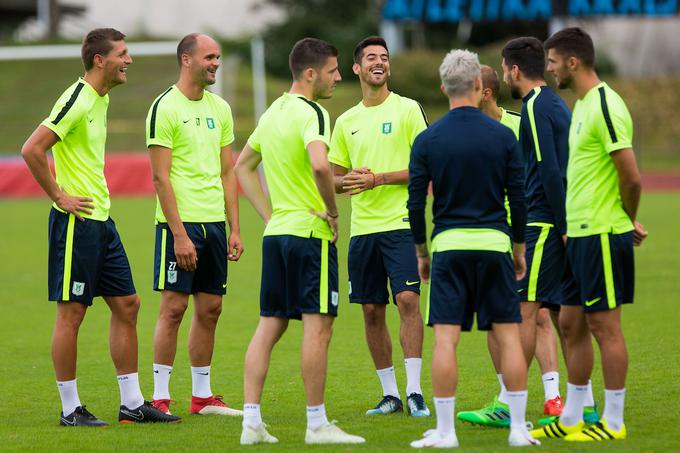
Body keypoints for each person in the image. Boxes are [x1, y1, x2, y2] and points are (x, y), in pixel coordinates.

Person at [21, 28, 180, 426]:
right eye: (122, 54)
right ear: (99, 60)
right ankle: (70, 409)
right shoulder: (76, 98)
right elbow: (32, 148)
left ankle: (131, 404)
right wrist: (59, 196)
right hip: (77, 223)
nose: (129, 61)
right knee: (72, 314)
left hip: (102, 222)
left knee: (128, 305)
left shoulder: (100, 98)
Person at [234, 37, 365, 445]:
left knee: (269, 325)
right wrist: (333, 210)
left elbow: (242, 167)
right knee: (318, 327)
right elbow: (321, 165)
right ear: (311, 74)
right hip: (310, 235)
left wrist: (270, 216)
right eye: (333, 71)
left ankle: (250, 423)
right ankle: (316, 424)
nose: (339, 77)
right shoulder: (315, 112)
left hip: (277, 236)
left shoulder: (273, 111)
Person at [407, 49, 537, 448]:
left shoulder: (428, 139)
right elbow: (518, 196)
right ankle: (517, 428)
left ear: (443, 87)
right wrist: (518, 248)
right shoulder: (503, 135)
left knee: (446, 339)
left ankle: (445, 432)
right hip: (495, 244)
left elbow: (415, 202)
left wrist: (422, 252)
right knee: (509, 337)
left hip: (449, 246)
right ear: (480, 86)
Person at [532, 26, 647, 442]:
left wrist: (624, 217)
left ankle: (613, 423)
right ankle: (572, 418)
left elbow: (630, 177)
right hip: (577, 237)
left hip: (602, 234)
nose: (549, 70)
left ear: (572, 62)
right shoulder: (579, 106)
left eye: (552, 62)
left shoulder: (605, 105)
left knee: (605, 327)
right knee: (571, 325)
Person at [459, 61, 569, 427]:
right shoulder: (464, 133)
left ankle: (552, 397)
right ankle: (507, 400)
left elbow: (546, 173)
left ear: (484, 92)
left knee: (538, 312)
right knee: (498, 320)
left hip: (527, 233)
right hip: (488, 235)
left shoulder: (521, 123)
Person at [328, 36, 430, 417]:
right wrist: (349, 179)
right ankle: (390, 394)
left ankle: (416, 391)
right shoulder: (346, 121)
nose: (379, 62)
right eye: (371, 57)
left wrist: (380, 178)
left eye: (384, 58)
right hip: (363, 231)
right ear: (357, 68)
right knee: (371, 310)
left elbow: (425, 167)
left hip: (401, 223)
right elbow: (334, 181)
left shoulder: (408, 109)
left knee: (407, 301)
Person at [146, 33, 243, 417]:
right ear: (187, 60)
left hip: (215, 225)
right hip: (179, 226)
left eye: (218, 57)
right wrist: (180, 234)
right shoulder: (164, 107)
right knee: (173, 309)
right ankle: (159, 398)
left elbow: (227, 172)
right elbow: (160, 178)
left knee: (212, 308)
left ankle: (202, 398)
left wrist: (234, 228)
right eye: (209, 57)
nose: (216, 63)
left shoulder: (220, 108)